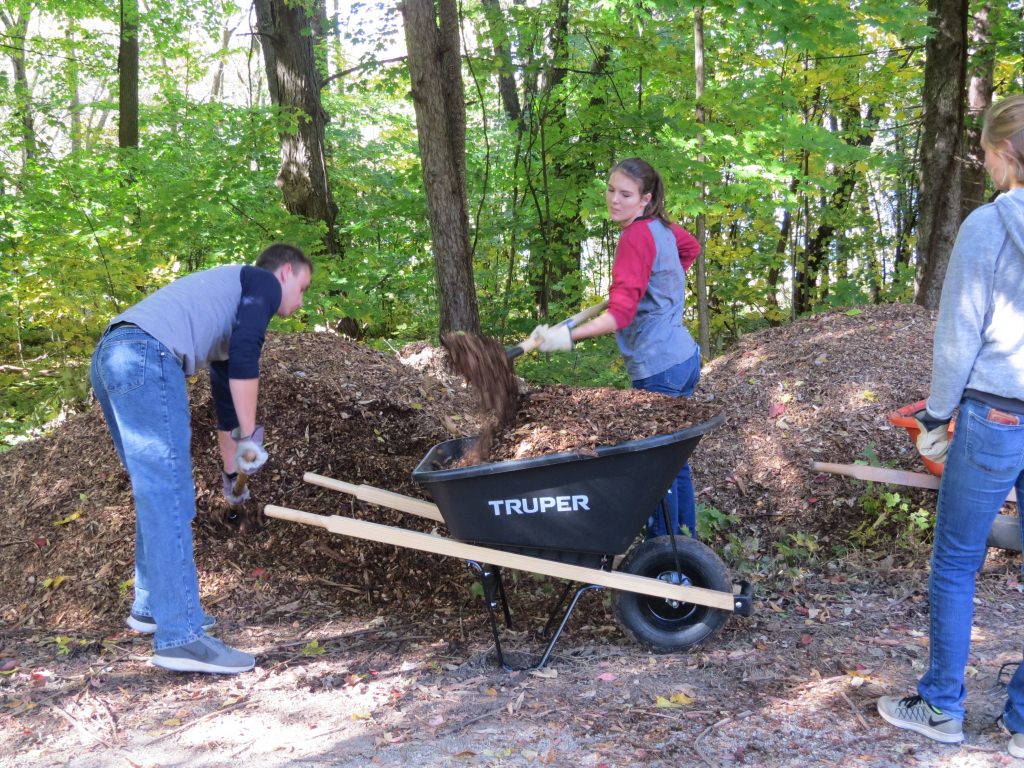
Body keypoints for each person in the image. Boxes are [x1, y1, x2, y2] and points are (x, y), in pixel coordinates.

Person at [876, 94, 1024, 756]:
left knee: (958, 562)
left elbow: (958, 339)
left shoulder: (990, 226)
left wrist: (936, 418)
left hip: (995, 413)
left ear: (1000, 155)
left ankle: (940, 707)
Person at [90, 243, 313, 674]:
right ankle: (182, 637)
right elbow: (249, 359)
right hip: (144, 356)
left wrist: (233, 470)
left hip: (112, 357)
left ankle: (153, 607)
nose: (301, 302)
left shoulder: (226, 307)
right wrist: (250, 437)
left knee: (156, 492)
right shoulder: (260, 284)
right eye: (302, 288)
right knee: (169, 495)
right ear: (284, 273)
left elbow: (226, 400)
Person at [532, 157, 702, 538]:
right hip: (685, 360)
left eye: (626, 194)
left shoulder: (636, 237)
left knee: (655, 467)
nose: (614, 200)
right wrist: (655, 286)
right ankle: (687, 547)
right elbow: (691, 249)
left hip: (660, 368)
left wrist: (567, 336)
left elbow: (620, 316)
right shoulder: (662, 229)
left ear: (646, 199)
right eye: (610, 190)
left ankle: (664, 560)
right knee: (675, 462)